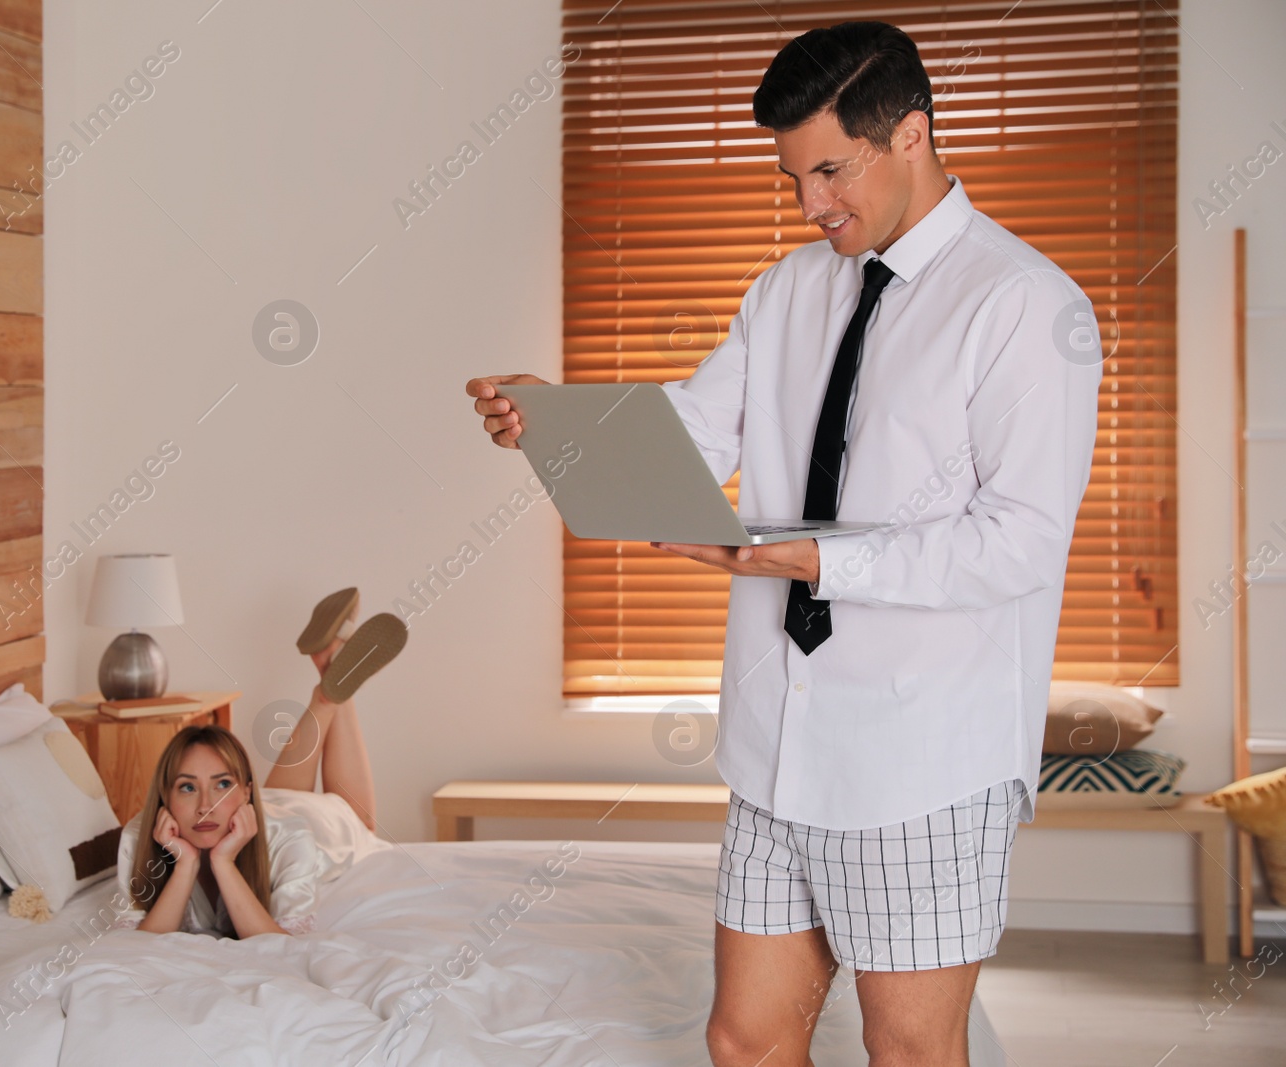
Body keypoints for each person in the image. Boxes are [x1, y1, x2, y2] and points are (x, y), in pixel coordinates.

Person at [466, 21, 1101, 1067]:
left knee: (906, 1046)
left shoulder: (1024, 305)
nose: (810, 205)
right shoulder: (789, 290)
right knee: (746, 1037)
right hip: (777, 744)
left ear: (911, 134)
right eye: (792, 177)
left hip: (921, 759)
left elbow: (1018, 543)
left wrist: (818, 560)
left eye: (828, 171)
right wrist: (561, 422)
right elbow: (697, 430)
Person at [117, 588, 406, 938]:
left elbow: (282, 946)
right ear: (164, 796)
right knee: (281, 794)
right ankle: (329, 681)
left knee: (359, 822)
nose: (206, 806)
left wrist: (223, 863)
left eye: (223, 784)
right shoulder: (138, 837)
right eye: (187, 787)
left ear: (245, 791)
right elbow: (138, 944)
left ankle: (329, 691)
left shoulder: (293, 838)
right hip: (263, 806)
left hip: (294, 821)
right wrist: (186, 864)